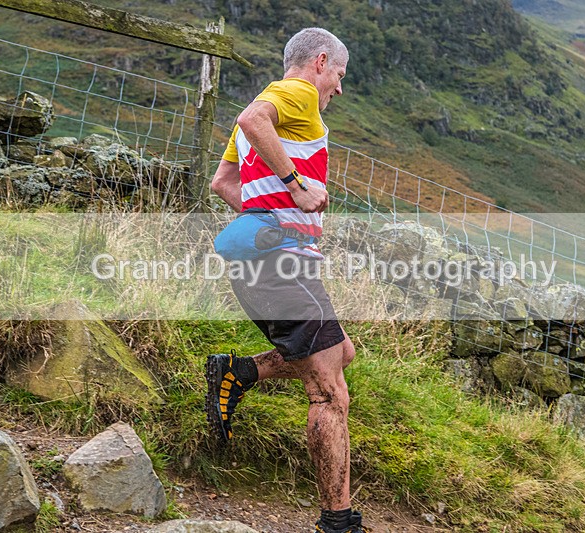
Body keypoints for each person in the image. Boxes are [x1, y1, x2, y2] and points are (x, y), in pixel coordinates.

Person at [206, 28, 366, 533]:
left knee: (342, 352)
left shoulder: (280, 112)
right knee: (330, 392)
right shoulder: (297, 93)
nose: (338, 89)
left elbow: (223, 184)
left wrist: (272, 219)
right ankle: (338, 523)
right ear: (321, 62)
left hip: (268, 261)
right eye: (339, 75)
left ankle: (238, 373)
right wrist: (295, 190)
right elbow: (252, 119)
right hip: (282, 267)